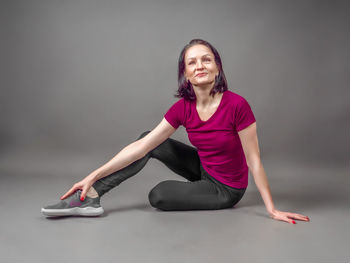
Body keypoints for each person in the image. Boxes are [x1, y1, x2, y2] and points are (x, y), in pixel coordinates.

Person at [41, 39, 310, 225]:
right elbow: (143, 146)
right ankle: (90, 197)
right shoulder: (183, 107)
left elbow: (254, 160)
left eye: (206, 60)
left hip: (227, 188)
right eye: (192, 63)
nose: (200, 66)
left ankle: (205, 192)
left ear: (217, 67)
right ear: (186, 73)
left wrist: (272, 209)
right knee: (151, 139)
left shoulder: (237, 105)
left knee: (157, 195)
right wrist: (93, 175)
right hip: (204, 168)